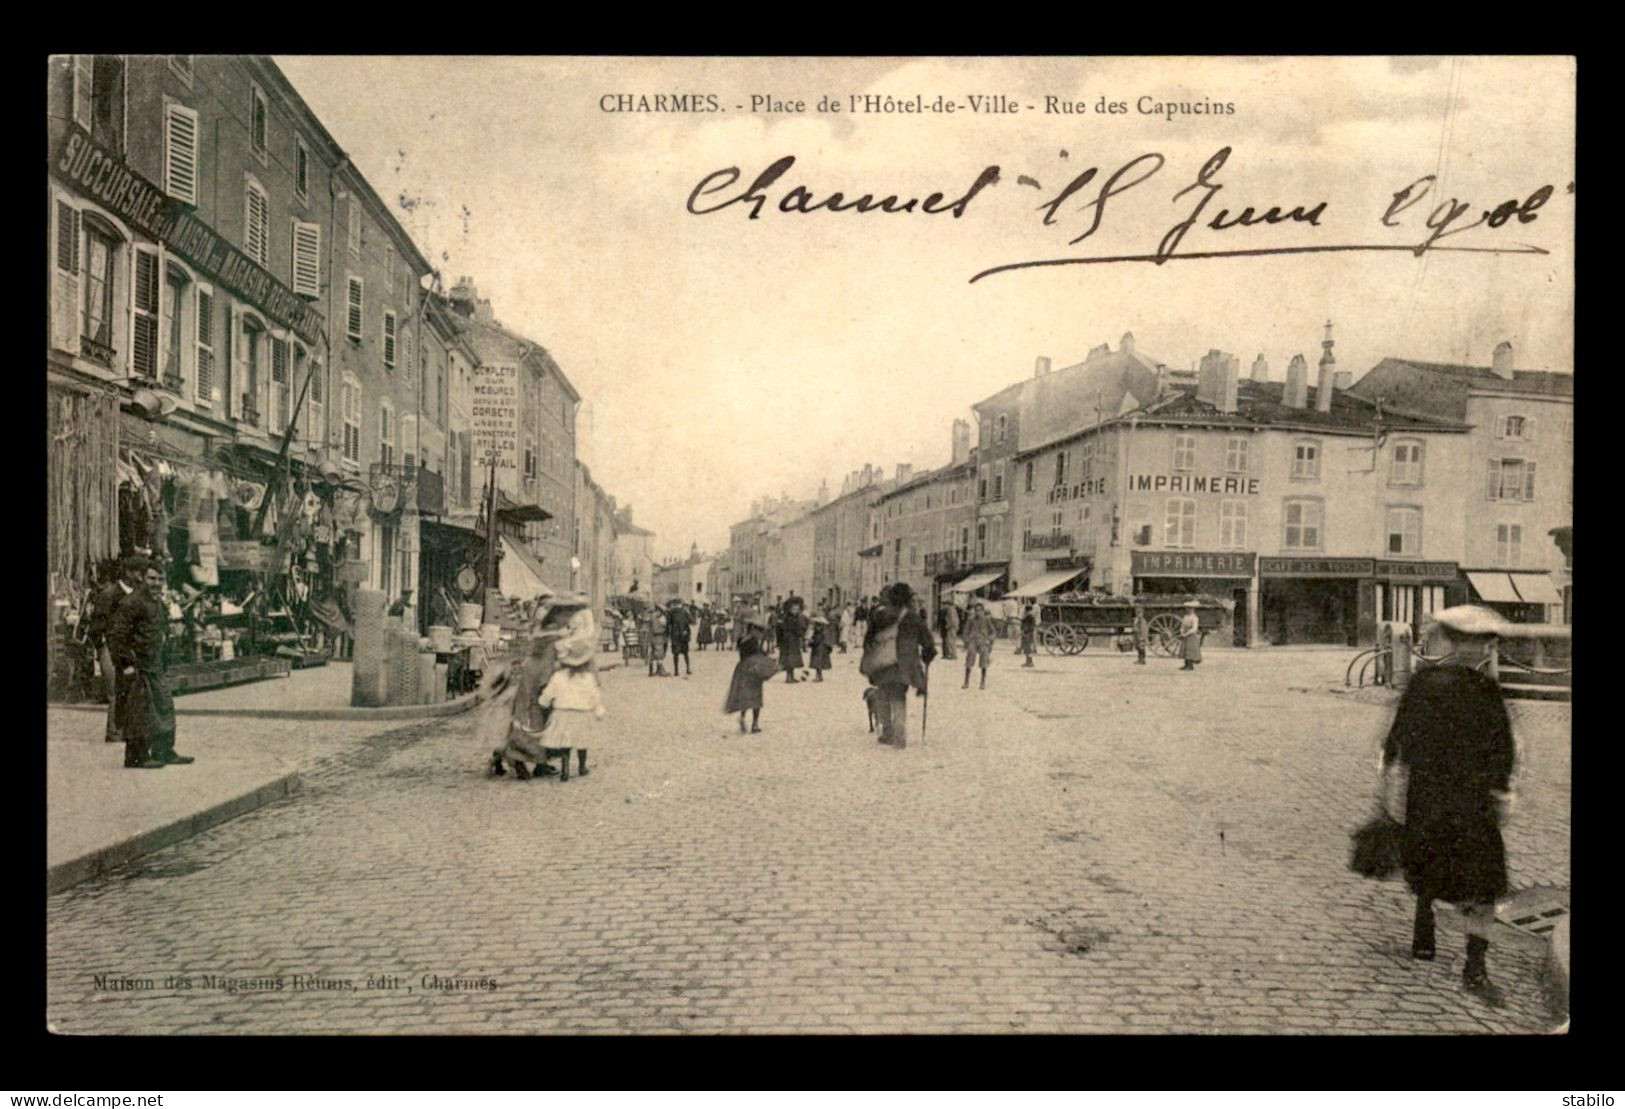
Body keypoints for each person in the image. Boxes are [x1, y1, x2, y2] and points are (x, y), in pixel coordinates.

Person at [1380, 605, 1517, 1004]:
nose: (1486, 647)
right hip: (1472, 798)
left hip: (1428, 792)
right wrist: (1502, 791)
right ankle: (1475, 966)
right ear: (1477, 645)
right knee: (1484, 879)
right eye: (1484, 641)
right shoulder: (1486, 690)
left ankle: (1424, 931)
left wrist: (1393, 778)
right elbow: (1501, 747)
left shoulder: (1424, 681)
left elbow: (1398, 738)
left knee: (1429, 860)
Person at [107, 557, 192, 769]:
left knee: (163, 708)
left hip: (155, 667)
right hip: (138, 668)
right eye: (151, 578)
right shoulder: (131, 602)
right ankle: (136, 757)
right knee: (139, 714)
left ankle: (164, 751)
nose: (155, 583)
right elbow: (116, 636)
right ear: (142, 578)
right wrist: (127, 663)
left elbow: (161, 632)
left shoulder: (157, 603)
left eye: (159, 579)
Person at [862, 582, 936, 748]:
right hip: (904, 665)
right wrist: (927, 656)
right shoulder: (913, 618)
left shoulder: (880, 615)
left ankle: (887, 733)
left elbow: (868, 640)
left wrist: (871, 657)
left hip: (882, 664)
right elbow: (928, 643)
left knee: (883, 696)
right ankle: (899, 736)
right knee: (898, 698)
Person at [538, 631, 604, 781]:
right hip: (581, 713)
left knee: (565, 742)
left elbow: (549, 692)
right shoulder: (587, 678)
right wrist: (598, 710)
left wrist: (543, 702)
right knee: (582, 740)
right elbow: (595, 695)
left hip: (562, 713)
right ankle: (581, 766)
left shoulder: (558, 676)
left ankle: (565, 769)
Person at [85, 558, 134, 744]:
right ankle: (114, 731)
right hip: (110, 647)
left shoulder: (128, 593)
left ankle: (122, 729)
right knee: (114, 690)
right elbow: (96, 627)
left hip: (122, 647)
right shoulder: (109, 594)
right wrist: (102, 647)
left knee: (124, 689)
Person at [725, 614, 773, 734]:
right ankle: (755, 724)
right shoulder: (753, 641)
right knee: (756, 697)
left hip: (742, 669)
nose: (760, 633)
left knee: (744, 696)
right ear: (753, 630)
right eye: (759, 631)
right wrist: (766, 655)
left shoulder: (743, 639)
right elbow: (757, 655)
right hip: (753, 670)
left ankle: (742, 717)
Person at [961, 599, 996, 689]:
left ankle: (982, 682)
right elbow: (965, 632)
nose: (978, 612)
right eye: (976, 610)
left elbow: (993, 632)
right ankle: (966, 681)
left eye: (980, 610)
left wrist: (989, 640)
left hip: (983, 641)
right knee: (970, 656)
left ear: (983, 611)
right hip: (973, 641)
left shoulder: (987, 620)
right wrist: (967, 641)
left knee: (984, 657)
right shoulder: (970, 620)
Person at [777, 598, 807, 683]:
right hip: (788, 641)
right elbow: (791, 629)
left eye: (797, 609)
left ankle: (792, 676)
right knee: (789, 660)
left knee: (793, 660)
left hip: (794, 641)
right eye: (794, 609)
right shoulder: (788, 618)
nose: (796, 611)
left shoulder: (795, 617)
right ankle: (789, 677)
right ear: (790, 609)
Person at [668, 601, 693, 676]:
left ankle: (676, 671)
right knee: (685, 653)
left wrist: (669, 635)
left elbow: (668, 624)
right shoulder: (684, 612)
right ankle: (688, 669)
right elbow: (691, 621)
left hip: (675, 636)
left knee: (676, 654)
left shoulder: (671, 612)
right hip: (683, 635)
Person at [808, 613, 834, 681]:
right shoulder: (824, 631)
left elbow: (816, 640)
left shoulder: (819, 632)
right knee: (819, 664)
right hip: (822, 649)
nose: (814, 626)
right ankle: (820, 676)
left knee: (818, 664)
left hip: (818, 650)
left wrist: (811, 642)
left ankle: (818, 677)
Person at [1178, 601, 1203, 671]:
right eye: (1187, 608)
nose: (1188, 610)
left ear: (1193, 609)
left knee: (1190, 650)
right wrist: (1182, 631)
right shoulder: (1185, 617)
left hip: (1191, 635)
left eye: (1190, 608)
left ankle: (1190, 665)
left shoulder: (1195, 618)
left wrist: (1186, 634)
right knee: (1184, 649)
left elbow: (1194, 629)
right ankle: (1186, 664)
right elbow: (1182, 625)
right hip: (1185, 634)